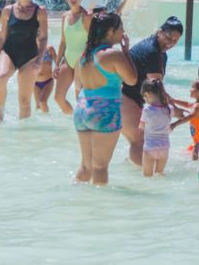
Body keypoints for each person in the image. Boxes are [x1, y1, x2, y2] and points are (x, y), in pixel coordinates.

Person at [72, 12, 137, 185]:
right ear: (110, 31)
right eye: (120, 28)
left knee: (86, 167)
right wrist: (126, 53)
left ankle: (75, 199)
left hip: (81, 111)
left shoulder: (83, 56)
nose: (123, 32)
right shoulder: (112, 55)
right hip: (104, 112)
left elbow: (77, 87)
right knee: (100, 167)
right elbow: (132, 80)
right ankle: (98, 208)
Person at [122, 16, 183, 166]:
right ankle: (142, 180)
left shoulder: (158, 50)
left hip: (126, 97)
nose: (171, 43)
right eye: (168, 37)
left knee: (141, 140)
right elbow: (157, 88)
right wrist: (175, 110)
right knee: (139, 141)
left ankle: (138, 172)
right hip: (126, 97)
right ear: (160, 32)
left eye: (175, 40)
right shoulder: (152, 52)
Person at [0, 0, 49, 122]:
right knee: (1, 78)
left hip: (29, 56)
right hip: (9, 52)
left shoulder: (40, 11)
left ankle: (23, 136)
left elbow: (43, 37)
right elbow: (2, 37)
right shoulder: (8, 10)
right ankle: (0, 116)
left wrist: (40, 59)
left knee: (24, 102)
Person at [54, 0, 91, 115]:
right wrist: (57, 64)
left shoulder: (86, 16)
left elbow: (92, 40)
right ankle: (73, 118)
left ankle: (84, 125)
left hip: (83, 61)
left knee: (80, 98)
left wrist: (84, 58)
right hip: (67, 60)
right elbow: (63, 41)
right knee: (58, 98)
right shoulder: (65, 16)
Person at [141, 78, 181, 177]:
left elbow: (141, 126)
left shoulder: (147, 109)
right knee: (160, 174)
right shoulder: (169, 109)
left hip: (150, 147)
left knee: (147, 176)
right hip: (164, 147)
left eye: (145, 97)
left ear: (148, 94)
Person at [34, 44, 57, 112]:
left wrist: (56, 71)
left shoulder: (49, 49)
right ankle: (40, 122)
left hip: (48, 81)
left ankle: (48, 120)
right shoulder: (30, 50)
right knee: (38, 106)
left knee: (42, 101)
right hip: (35, 83)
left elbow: (58, 63)